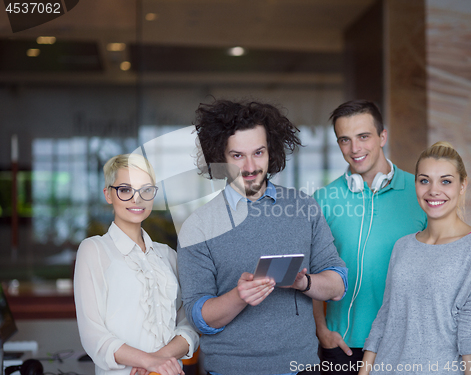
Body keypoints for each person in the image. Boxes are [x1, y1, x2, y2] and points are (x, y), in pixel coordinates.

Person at [177, 99, 348, 375]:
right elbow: (198, 317)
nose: (249, 166)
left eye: (258, 152)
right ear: (219, 156)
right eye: (237, 156)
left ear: (272, 152)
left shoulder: (304, 208)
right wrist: (239, 296)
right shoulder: (198, 226)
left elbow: (338, 285)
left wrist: (303, 282)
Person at [359, 141, 471, 375]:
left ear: (462, 185)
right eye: (424, 180)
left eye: (446, 181)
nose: (434, 190)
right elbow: (385, 317)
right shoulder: (402, 246)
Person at [313, 100, 427, 374]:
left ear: (382, 136)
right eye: (345, 140)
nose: (355, 149)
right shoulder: (324, 199)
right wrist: (321, 330)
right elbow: (312, 271)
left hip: (404, 343)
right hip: (342, 346)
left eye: (363, 136)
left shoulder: (421, 194)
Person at [74, 154, 199, 375]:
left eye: (146, 190)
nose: (136, 199)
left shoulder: (168, 255)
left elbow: (189, 323)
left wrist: (156, 361)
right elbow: (93, 335)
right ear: (108, 195)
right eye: (125, 190)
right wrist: (148, 362)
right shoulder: (93, 250)